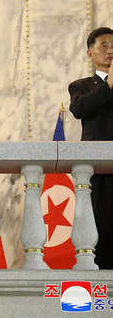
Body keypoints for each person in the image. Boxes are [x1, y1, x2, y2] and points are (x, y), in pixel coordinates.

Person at [68, 26, 113, 269]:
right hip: (99, 169)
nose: (110, 51)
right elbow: (79, 110)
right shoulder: (81, 85)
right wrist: (109, 85)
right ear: (90, 52)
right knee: (101, 226)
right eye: (104, 45)